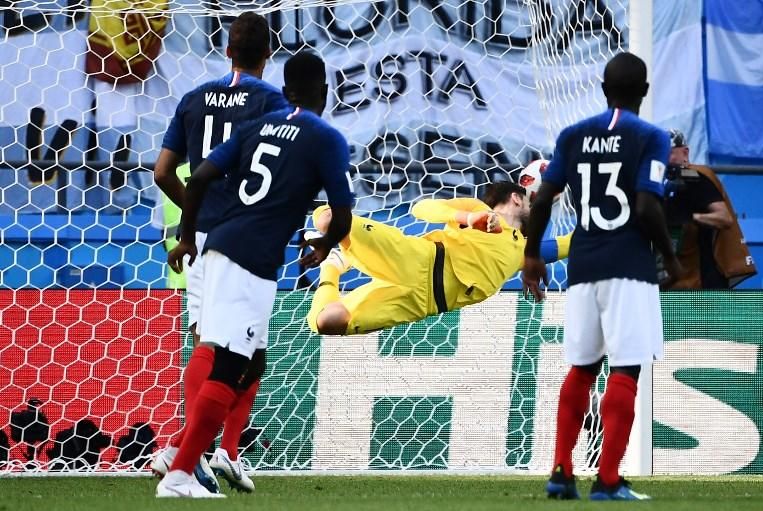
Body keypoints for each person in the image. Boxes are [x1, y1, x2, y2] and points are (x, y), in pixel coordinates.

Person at [156, 51, 354, 498]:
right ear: (325, 92)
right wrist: (323, 245)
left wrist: (187, 237)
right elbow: (342, 216)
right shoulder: (326, 138)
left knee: (248, 360)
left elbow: (200, 176)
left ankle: (201, 455)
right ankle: (181, 470)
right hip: (251, 259)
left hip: (220, 243)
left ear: (286, 94)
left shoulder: (256, 127)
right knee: (229, 361)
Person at [522, 52, 682, 501]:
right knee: (625, 367)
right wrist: (670, 258)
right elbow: (648, 206)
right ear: (644, 91)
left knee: (583, 367)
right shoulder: (650, 136)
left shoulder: (573, 135)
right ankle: (608, 479)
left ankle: (560, 471)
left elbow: (542, 199)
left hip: (583, 265)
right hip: (628, 266)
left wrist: (532, 255)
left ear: (602, 88)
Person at [150, 12, 289, 492]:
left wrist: (194, 209)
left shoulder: (193, 100)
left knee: (211, 343)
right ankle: (200, 452)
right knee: (241, 352)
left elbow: (163, 171)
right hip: (245, 238)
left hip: (201, 233)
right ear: (268, 58)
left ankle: (205, 452)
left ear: (226, 51)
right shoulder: (272, 101)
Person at [306, 181, 571, 336]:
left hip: (420, 303)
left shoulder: (524, 250)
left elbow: (569, 243)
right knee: (328, 218)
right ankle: (333, 246)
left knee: (329, 321)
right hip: (419, 258)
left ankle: (332, 267)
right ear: (516, 198)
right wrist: (467, 219)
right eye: (529, 202)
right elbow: (421, 208)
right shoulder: (477, 209)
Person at [664, 129, 756, 289]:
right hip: (675, 278)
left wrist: (691, 217)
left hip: (704, 280)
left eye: (668, 153)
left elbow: (724, 218)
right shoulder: (661, 182)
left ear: (685, 153)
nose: (663, 159)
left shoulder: (693, 175)